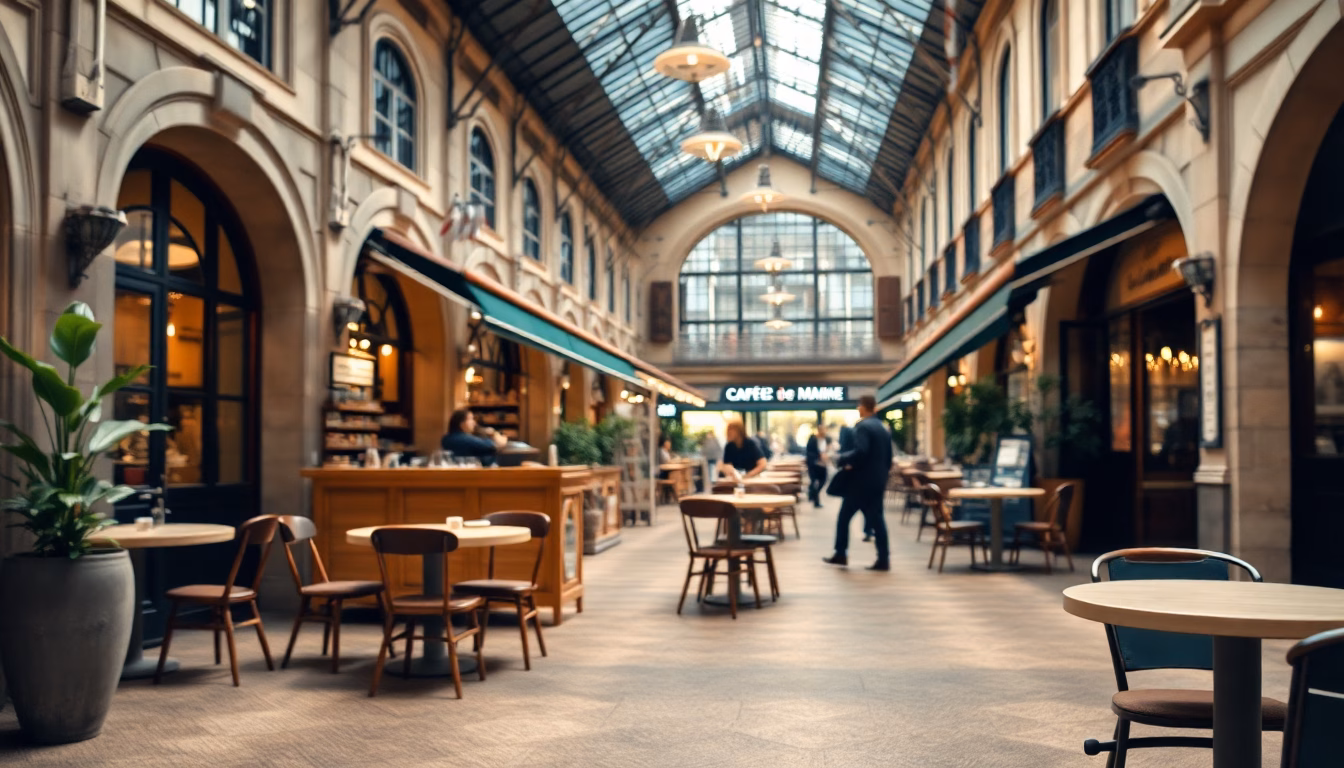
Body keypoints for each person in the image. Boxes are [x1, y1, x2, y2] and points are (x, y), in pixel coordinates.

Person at [823, 395, 892, 571]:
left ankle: (841, 553)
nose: (857, 408)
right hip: (878, 481)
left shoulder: (863, 427)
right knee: (877, 519)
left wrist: (841, 459)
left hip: (861, 483)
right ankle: (883, 559)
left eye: (859, 405)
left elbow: (861, 451)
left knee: (844, 517)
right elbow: (889, 457)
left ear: (863, 407)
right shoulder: (882, 427)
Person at [441, 408, 507, 466]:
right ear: (462, 423)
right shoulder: (463, 439)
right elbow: (491, 446)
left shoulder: (446, 439)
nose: (474, 423)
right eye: (471, 419)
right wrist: (493, 434)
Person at [805, 423, 829, 508]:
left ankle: (812, 494)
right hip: (814, 464)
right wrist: (819, 455)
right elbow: (808, 452)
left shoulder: (825, 439)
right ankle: (816, 500)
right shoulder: (813, 439)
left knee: (823, 480)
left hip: (823, 464)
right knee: (814, 481)